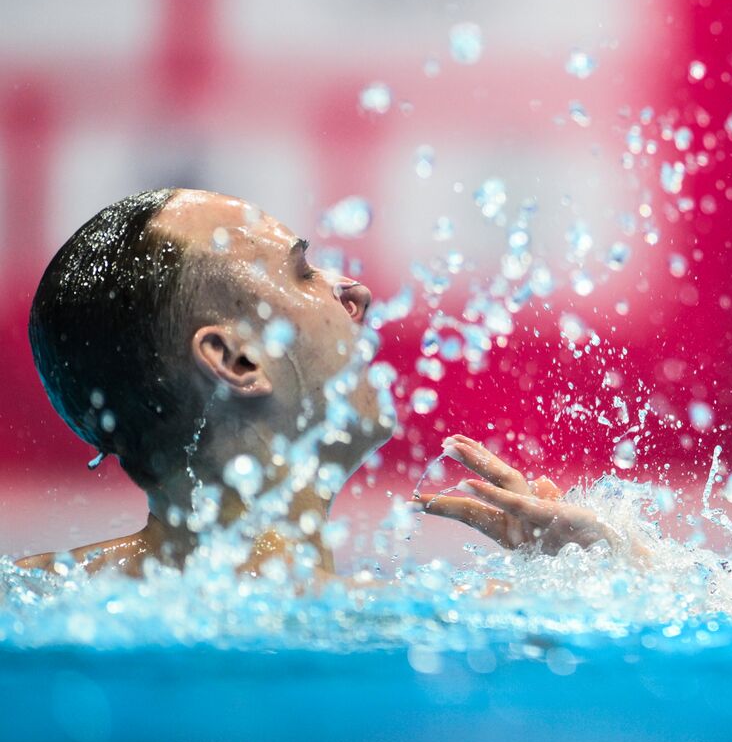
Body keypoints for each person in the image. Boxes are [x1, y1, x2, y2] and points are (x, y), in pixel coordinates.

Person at [16, 189, 622, 578]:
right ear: (237, 361)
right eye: (303, 273)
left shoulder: (43, 600)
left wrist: (586, 559)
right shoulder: (407, 639)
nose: (353, 293)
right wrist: (620, 567)